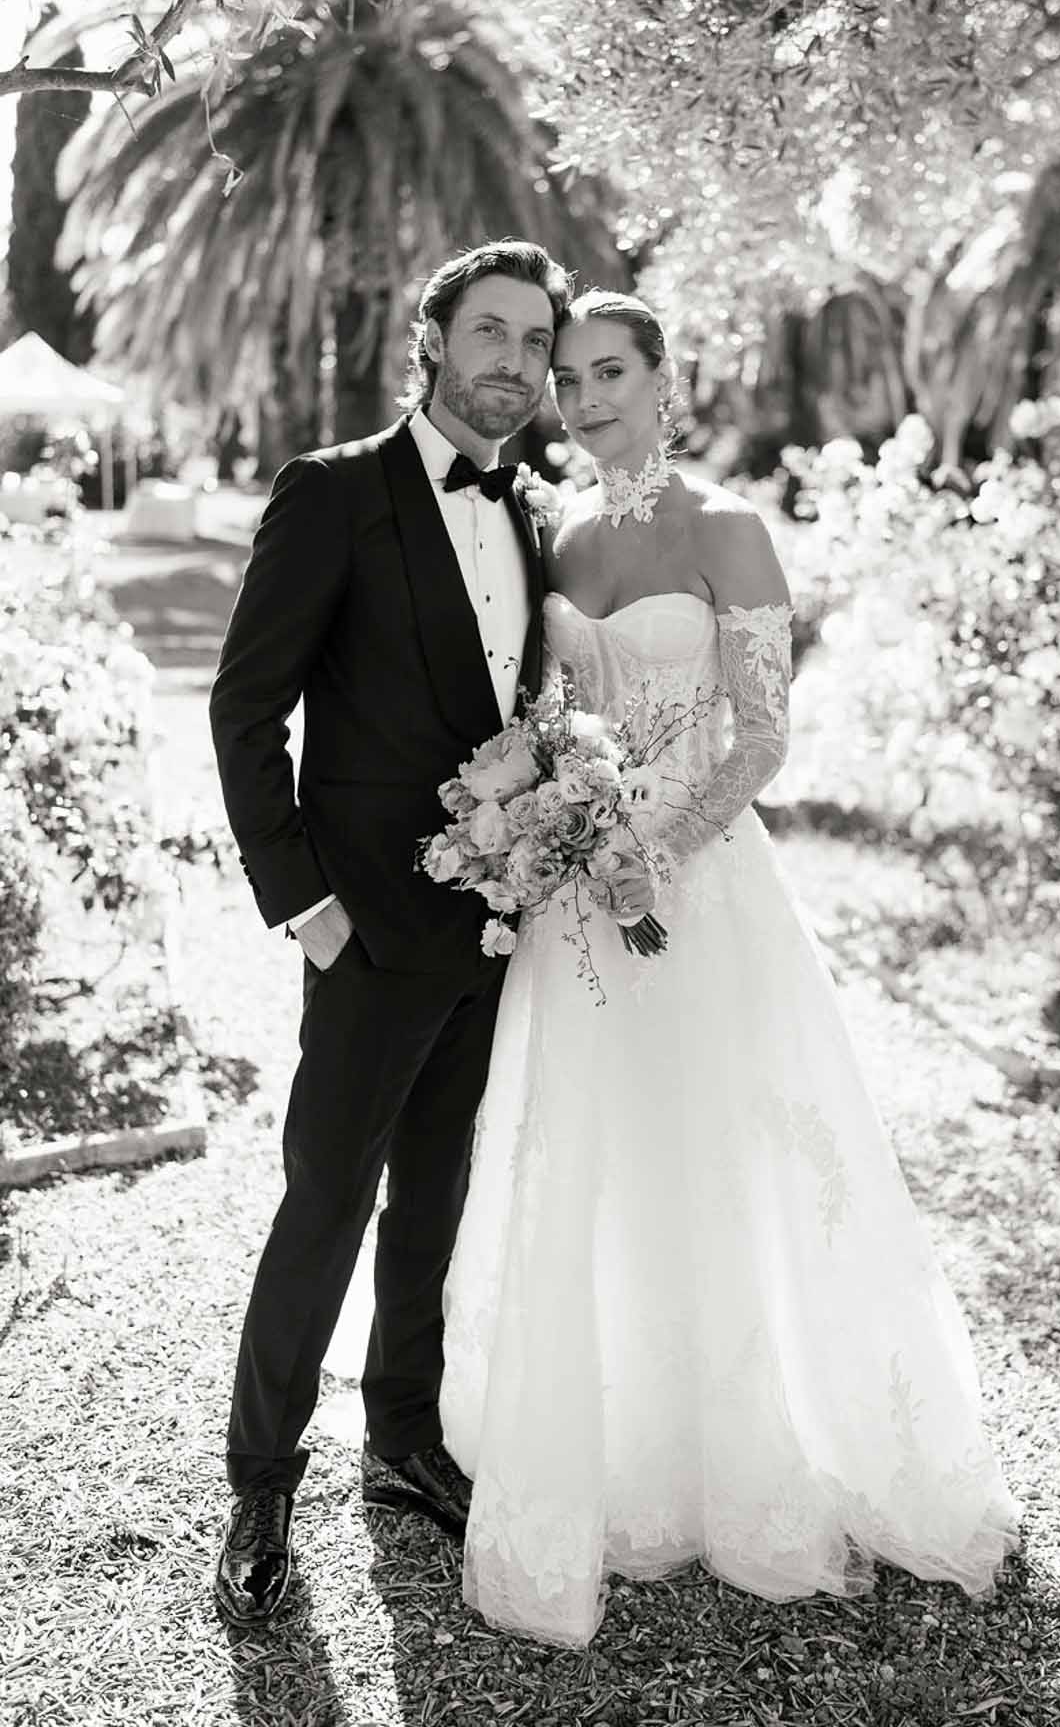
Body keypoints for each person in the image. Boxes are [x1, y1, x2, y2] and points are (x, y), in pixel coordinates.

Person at [439, 291, 1022, 1648]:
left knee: (721, 1153)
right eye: (568, 378)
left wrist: (657, 849)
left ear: (665, 381)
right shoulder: (558, 537)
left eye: (609, 373)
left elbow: (763, 735)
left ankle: (754, 1457)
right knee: (595, 1157)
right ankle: (622, 1451)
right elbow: (549, 714)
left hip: (697, 887)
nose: (584, 399)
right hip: (575, 897)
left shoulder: (729, 529)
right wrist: (544, 820)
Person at [208, 242, 656, 1623]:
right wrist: (305, 906)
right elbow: (245, 708)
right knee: (325, 1207)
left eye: (534, 343)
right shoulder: (334, 491)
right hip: (363, 935)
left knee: (437, 1205)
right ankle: (260, 1484)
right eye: (491, 333)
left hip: (494, 933)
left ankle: (402, 1439)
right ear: (435, 342)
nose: (515, 363)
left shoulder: (535, 515)